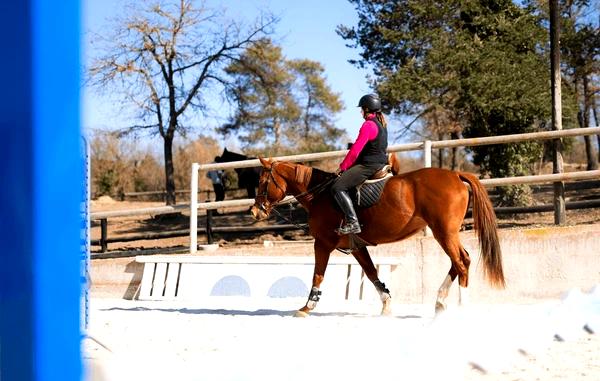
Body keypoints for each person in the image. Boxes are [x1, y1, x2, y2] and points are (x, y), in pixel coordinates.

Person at [331, 93, 388, 235]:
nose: (361, 112)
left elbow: (355, 150)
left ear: (367, 109)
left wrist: (342, 167)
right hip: (380, 162)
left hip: (369, 165)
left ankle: (353, 223)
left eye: (362, 109)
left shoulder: (368, 125)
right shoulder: (381, 124)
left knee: (337, 187)